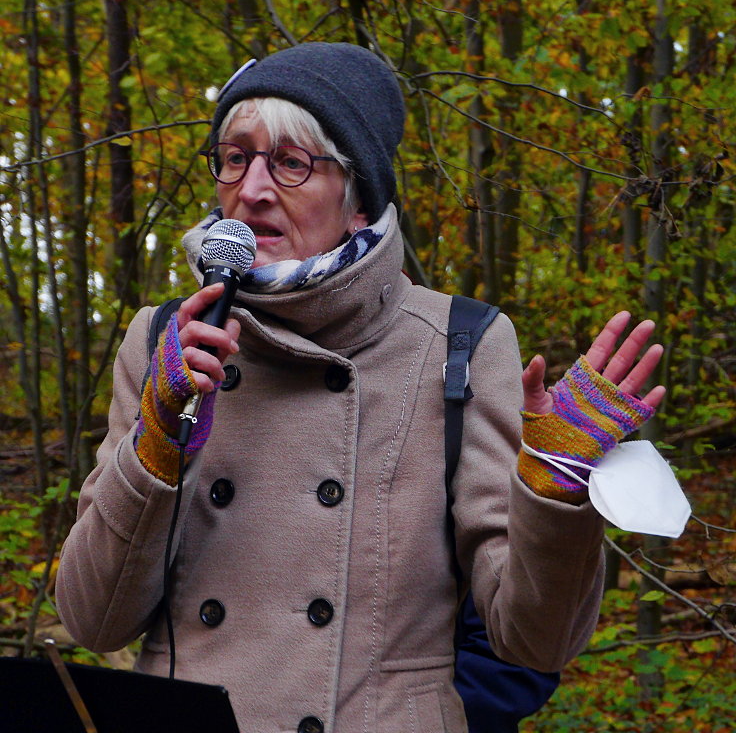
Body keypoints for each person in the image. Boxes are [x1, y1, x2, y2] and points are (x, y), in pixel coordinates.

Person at [56, 42, 665, 733]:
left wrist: (555, 496)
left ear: (357, 199)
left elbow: (534, 642)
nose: (250, 188)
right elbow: (92, 620)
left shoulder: (458, 343)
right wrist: (158, 444)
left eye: (289, 163)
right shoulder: (162, 340)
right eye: (234, 157)